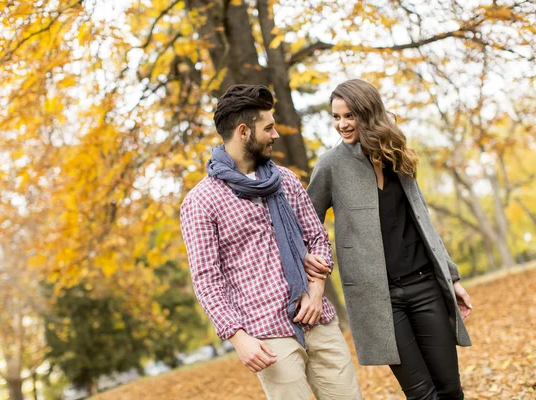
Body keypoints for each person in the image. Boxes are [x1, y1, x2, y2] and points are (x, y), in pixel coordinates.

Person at [180, 84, 362, 400]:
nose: (276, 134)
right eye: (269, 127)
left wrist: (316, 291)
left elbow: (317, 238)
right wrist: (238, 339)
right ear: (243, 132)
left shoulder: (285, 180)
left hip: (317, 318)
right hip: (265, 334)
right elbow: (208, 282)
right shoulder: (201, 202)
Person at [306, 79, 472, 400]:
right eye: (336, 117)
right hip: (380, 299)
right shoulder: (331, 166)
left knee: (450, 389)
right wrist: (313, 262)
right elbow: (306, 222)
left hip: (425, 286)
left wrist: (451, 278)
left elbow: (423, 221)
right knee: (422, 395)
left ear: (368, 113)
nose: (342, 124)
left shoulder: (398, 157)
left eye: (349, 115)